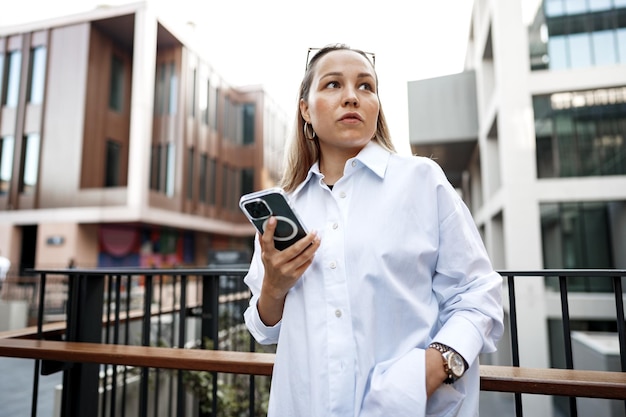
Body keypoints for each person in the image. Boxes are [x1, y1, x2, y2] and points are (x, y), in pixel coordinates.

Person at [243, 44, 503, 417]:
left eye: (366, 86)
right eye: (333, 85)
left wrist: (432, 368)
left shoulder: (421, 181)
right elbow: (262, 329)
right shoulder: (286, 209)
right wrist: (273, 287)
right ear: (305, 109)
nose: (352, 96)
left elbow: (479, 293)